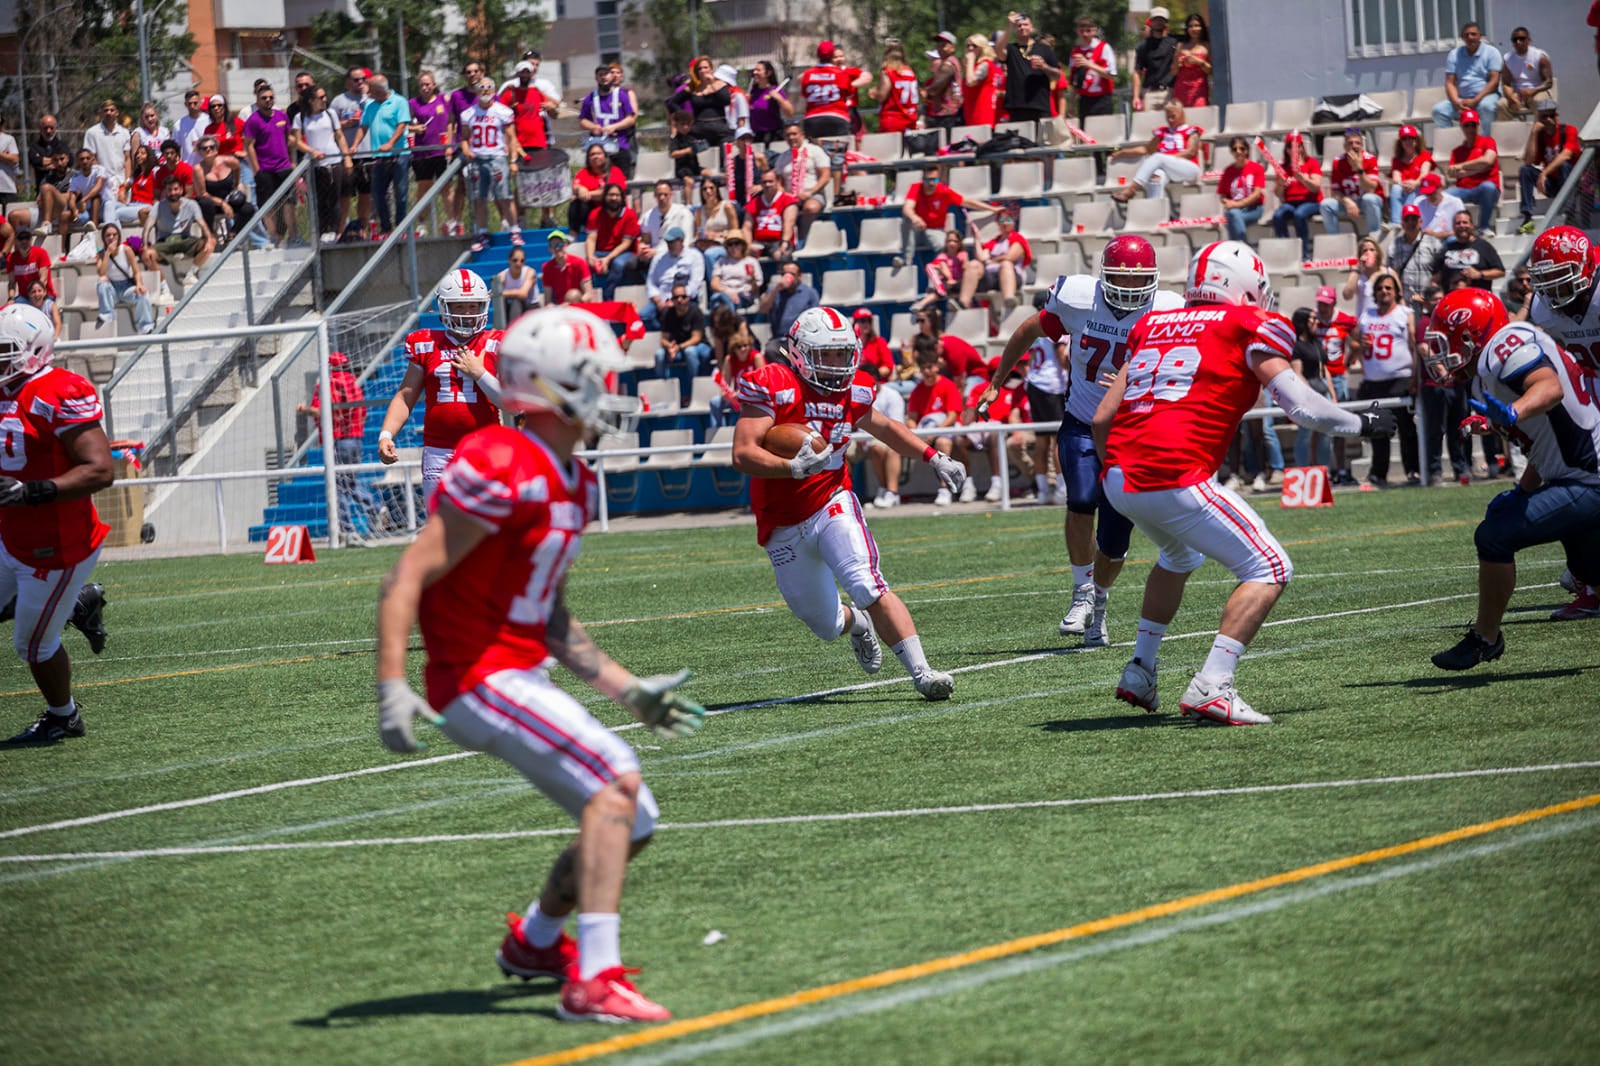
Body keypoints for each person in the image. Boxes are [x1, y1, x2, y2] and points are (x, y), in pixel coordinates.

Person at [375, 305, 694, 1024]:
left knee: (632, 817)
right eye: (592, 375)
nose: (605, 388)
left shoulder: (572, 480)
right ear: (551, 386)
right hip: (475, 674)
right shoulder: (499, 462)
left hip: (516, 668)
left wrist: (627, 689)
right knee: (615, 785)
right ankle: (595, 981)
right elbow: (407, 574)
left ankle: (537, 941)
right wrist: (392, 682)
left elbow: (545, 614)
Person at [1094, 240, 1397, 724]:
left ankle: (1140, 669)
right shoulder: (1244, 324)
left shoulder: (1151, 325)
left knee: (1177, 555)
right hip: (1174, 475)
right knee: (1271, 566)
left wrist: (1123, 467)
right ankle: (1213, 684)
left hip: (1120, 477)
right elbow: (1299, 405)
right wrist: (1363, 424)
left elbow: (1102, 416)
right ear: (1240, 287)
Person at [732, 306, 961, 698]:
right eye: (827, 355)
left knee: (866, 582)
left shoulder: (854, 390)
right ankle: (857, 624)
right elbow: (742, 453)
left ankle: (923, 672)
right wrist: (791, 468)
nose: (838, 364)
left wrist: (933, 456)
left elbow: (885, 427)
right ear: (800, 353)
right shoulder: (773, 383)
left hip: (830, 500)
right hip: (781, 521)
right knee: (823, 622)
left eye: (843, 354)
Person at [982, 235, 1182, 645]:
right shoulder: (1077, 298)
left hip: (1131, 432)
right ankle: (1081, 591)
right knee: (1080, 499)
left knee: (1114, 541)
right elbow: (1028, 329)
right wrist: (997, 382)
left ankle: (1100, 601)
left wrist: (1135, 385)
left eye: (1136, 283)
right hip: (1082, 422)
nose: (1128, 291)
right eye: (1120, 282)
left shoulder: (1167, 310)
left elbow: (1179, 374)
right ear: (1102, 277)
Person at [1424, 289, 1600, 669]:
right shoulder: (1489, 370)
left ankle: (1485, 638)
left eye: (1447, 341)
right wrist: (1523, 490)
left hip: (1589, 479)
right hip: (1576, 477)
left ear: (1471, 335)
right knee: (1589, 570)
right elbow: (1546, 443)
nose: (1440, 354)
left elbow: (1548, 388)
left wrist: (1511, 413)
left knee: (1494, 535)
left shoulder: (1504, 343)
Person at [0, 303, 116, 745]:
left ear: (35, 349)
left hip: (57, 543)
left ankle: (62, 717)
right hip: (11, 532)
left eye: (4, 350)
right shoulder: (7, 388)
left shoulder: (58, 391)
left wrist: (32, 491)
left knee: (32, 646)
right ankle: (77, 603)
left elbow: (101, 470)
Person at [1519, 226, 1600, 616]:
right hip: (1588, 403)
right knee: (1568, 482)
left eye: (1560, 278)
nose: (1553, 292)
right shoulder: (1542, 309)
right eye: (1545, 281)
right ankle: (1588, 577)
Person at [377, 269, 505, 497]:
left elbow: (512, 403)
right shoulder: (426, 343)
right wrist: (386, 434)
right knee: (441, 528)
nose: (468, 313)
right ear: (445, 307)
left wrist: (479, 373)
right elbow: (406, 396)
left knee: (490, 526)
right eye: (459, 306)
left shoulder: (494, 343)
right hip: (439, 451)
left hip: (486, 448)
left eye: (473, 306)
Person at [295, 350, 377, 539]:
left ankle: (346, 529)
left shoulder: (327, 384)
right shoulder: (353, 384)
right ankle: (374, 507)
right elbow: (362, 412)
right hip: (355, 440)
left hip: (338, 440)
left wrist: (304, 409)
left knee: (339, 486)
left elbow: (320, 411)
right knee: (350, 483)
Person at [1350, 270, 1419, 487]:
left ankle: (1413, 470)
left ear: (1396, 292)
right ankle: (1378, 473)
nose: (1384, 292)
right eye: (1380, 289)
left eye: (1388, 288)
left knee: (1407, 429)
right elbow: (1352, 344)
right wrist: (1358, 347)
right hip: (1374, 382)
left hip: (1400, 378)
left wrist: (1415, 377)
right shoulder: (1366, 315)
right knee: (1378, 430)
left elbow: (1414, 346)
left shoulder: (1405, 313)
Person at [459, 78, 521, 253]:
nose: (485, 91)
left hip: (498, 157)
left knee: (505, 197)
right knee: (480, 199)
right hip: (478, 158)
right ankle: (483, 234)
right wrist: (466, 150)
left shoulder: (503, 111)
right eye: (482, 88)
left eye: (488, 88)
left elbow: (512, 138)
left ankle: (514, 230)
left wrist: (514, 161)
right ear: (476, 91)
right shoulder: (468, 113)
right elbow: (464, 138)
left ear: (494, 90)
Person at [898, 163, 994, 268]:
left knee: (944, 245)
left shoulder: (944, 191)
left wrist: (992, 209)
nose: (930, 183)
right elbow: (907, 208)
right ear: (922, 179)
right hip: (916, 230)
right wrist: (915, 217)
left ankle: (937, 278)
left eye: (934, 180)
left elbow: (967, 202)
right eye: (927, 180)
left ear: (938, 179)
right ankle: (907, 262)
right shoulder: (915, 188)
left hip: (935, 230)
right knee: (907, 220)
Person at [292, 84, 355, 244]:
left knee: (335, 199)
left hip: (334, 162)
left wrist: (346, 157)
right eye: (320, 98)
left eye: (325, 97)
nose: (324, 100)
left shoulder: (330, 114)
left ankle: (335, 231)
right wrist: (312, 151)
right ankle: (321, 232)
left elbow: (339, 136)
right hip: (316, 165)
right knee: (320, 200)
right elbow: (297, 142)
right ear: (311, 100)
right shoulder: (301, 118)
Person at [1109, 99, 1203, 204]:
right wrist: (1122, 153)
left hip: (1189, 169)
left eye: (1173, 116)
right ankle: (1155, 211)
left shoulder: (1192, 131)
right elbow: (1146, 149)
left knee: (1158, 157)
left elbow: (1191, 152)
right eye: (1168, 117)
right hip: (1168, 169)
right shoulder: (1162, 132)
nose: (1170, 120)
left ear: (1181, 114)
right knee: (1156, 177)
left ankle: (1131, 190)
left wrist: (1167, 159)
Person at [242, 83, 294, 246]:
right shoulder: (253, 121)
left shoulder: (281, 116)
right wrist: (256, 170)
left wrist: (291, 162)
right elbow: (249, 145)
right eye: (264, 98)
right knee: (268, 206)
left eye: (271, 98)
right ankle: (272, 238)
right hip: (265, 170)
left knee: (288, 203)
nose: (268, 101)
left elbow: (289, 139)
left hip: (284, 168)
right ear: (257, 100)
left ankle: (292, 236)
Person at [1434, 22, 1502, 136]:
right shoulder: (1454, 54)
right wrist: (1456, 103)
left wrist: (1475, 100)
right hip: (1462, 100)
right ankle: (1454, 144)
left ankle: (1486, 143)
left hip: (1486, 97)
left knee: (1487, 108)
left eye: (1473, 34)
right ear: (1462, 38)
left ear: (1480, 36)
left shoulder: (1492, 52)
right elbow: (1449, 83)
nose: (1470, 37)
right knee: (1438, 111)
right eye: (1466, 35)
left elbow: (1494, 81)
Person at [1519, 99, 1577, 234]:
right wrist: (1533, 134)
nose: (1548, 120)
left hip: (1571, 183)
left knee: (1564, 166)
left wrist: (1543, 173)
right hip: (1552, 184)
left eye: (1551, 115)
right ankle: (1527, 217)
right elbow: (1528, 161)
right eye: (1544, 117)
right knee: (1525, 171)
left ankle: (1569, 214)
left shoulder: (1569, 131)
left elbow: (1566, 155)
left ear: (1556, 116)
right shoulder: (1540, 137)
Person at [958, 209, 1031, 312]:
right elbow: (981, 258)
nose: (1005, 223)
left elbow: (1009, 257)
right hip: (991, 277)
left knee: (1006, 264)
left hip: (1011, 276)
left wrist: (991, 260)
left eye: (1008, 219)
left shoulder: (1018, 238)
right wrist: (977, 239)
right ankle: (962, 304)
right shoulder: (993, 242)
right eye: (1002, 220)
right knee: (974, 264)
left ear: (1013, 222)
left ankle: (1009, 301)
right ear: (997, 223)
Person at [1288, 308, 1335, 468]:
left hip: (1322, 392)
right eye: (1312, 320)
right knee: (1305, 434)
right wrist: (1310, 394)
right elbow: (1297, 373)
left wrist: (1332, 394)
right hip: (1307, 395)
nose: (1316, 322)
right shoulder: (1297, 346)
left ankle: (1324, 470)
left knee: (1325, 434)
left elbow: (1324, 370)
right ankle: (1303, 469)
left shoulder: (1316, 343)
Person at [141, 175, 214, 276]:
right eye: (169, 190)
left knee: (211, 243)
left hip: (185, 240)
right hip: (165, 242)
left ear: (181, 190)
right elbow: (147, 228)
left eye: (175, 189)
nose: (173, 193)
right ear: (165, 192)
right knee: (147, 255)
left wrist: (209, 239)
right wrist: (145, 246)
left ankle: (191, 273)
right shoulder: (158, 206)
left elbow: (202, 224)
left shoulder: (191, 205)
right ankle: (163, 285)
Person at [408, 71, 455, 227]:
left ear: (434, 85)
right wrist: (415, 128)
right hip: (422, 153)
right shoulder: (413, 104)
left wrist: (449, 144)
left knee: (446, 188)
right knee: (423, 190)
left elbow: (450, 123)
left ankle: (452, 221)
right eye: (422, 84)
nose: (425, 87)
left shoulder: (444, 100)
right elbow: (403, 125)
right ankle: (421, 224)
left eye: (427, 84)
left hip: (441, 151)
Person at [799, 41, 870, 142]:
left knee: (815, 153)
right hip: (837, 116)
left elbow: (804, 92)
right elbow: (848, 92)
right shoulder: (840, 73)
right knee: (838, 153)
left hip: (812, 118)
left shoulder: (808, 74)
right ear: (832, 55)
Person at [330, 69, 373, 235]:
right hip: (347, 156)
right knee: (345, 197)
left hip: (368, 154)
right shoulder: (339, 101)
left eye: (363, 79)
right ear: (348, 82)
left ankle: (362, 230)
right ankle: (340, 231)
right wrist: (347, 123)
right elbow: (331, 128)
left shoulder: (371, 100)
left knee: (366, 195)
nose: (360, 83)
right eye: (356, 80)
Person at [772, 122, 832, 241]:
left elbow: (825, 176)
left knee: (811, 207)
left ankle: (803, 239)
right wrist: (785, 195)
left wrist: (810, 192)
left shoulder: (815, 151)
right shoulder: (782, 157)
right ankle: (785, 241)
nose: (791, 137)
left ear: (801, 135)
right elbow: (778, 181)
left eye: (794, 134)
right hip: (790, 197)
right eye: (788, 135)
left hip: (813, 194)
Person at [1442, 110, 1499, 233]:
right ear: (1462, 127)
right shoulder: (1457, 151)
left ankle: (1484, 226)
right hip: (1464, 189)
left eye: (1473, 125)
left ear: (1478, 126)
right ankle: (1448, 230)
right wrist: (1479, 168)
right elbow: (1452, 172)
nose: (1470, 129)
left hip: (1485, 189)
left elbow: (1488, 161)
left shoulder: (1488, 141)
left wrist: (1463, 167)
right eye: (1467, 125)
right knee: (1444, 196)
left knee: (1488, 187)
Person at [997, 12, 1060, 123]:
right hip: (1016, 105)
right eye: (1019, 25)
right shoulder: (1011, 48)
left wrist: (1044, 66)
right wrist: (1009, 26)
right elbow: (998, 50)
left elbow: (1057, 75)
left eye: (1025, 24)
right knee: (1019, 139)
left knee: (1040, 139)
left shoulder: (1044, 48)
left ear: (1032, 27)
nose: (1022, 27)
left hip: (1039, 104)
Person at [578, 64, 638, 179]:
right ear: (596, 78)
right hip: (598, 148)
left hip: (620, 145)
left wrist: (615, 126)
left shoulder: (621, 95)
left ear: (611, 76)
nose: (604, 77)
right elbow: (582, 120)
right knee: (599, 180)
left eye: (606, 74)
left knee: (622, 181)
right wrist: (592, 127)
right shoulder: (590, 97)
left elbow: (631, 119)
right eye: (600, 75)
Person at [1321, 128, 1384, 237]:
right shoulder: (1337, 162)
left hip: (1368, 202)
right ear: (1345, 146)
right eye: (1350, 143)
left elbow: (1370, 189)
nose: (1354, 146)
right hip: (1348, 202)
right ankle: (1334, 240)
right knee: (1326, 204)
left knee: (1369, 198)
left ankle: (1374, 238)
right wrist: (1347, 201)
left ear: (1362, 146)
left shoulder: (1371, 159)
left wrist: (1358, 168)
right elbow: (1335, 192)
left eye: (1357, 143)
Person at [653, 283, 709, 405]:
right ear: (672, 299)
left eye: (683, 297)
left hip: (699, 347)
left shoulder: (695, 311)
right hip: (677, 348)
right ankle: (665, 393)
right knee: (659, 355)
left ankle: (691, 392)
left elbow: (696, 338)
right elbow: (663, 339)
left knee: (690, 352)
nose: (680, 300)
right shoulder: (668, 314)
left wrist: (678, 347)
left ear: (688, 298)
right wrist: (669, 346)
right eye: (676, 297)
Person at [1270, 131, 1323, 260]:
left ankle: (1303, 254)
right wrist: (1281, 184)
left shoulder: (1311, 162)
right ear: (1286, 149)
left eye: (1297, 146)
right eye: (1290, 146)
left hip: (1311, 201)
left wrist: (1303, 179)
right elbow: (1277, 193)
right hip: (1291, 202)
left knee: (1299, 215)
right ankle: (1287, 253)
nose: (1294, 150)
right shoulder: (1283, 167)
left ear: (1301, 147)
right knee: (1278, 216)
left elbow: (1316, 188)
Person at [584, 183, 640, 302]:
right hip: (601, 252)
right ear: (604, 197)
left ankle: (608, 300)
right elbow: (591, 238)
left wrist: (608, 259)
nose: (614, 198)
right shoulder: (595, 214)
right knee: (584, 265)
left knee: (618, 264)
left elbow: (626, 243)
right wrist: (590, 257)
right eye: (610, 195)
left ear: (622, 198)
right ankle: (587, 300)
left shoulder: (630, 214)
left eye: (617, 195)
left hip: (624, 252)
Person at [640, 227, 704, 331]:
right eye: (668, 242)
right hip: (662, 299)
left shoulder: (695, 256)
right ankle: (665, 330)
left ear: (682, 240)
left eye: (672, 242)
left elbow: (694, 284)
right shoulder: (659, 258)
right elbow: (651, 283)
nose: (669, 245)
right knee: (643, 317)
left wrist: (676, 299)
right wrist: (658, 300)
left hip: (684, 299)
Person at [95, 223, 153, 334]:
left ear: (118, 236)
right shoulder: (101, 254)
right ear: (104, 238)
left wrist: (139, 284)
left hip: (126, 287)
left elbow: (136, 271)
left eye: (114, 235)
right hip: (112, 289)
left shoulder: (126, 250)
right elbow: (101, 273)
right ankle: (107, 316)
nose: (111, 238)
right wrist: (107, 253)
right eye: (108, 235)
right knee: (101, 283)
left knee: (143, 294)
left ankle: (145, 327)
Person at [1433, 209, 1504, 293]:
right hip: (1452, 299)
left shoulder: (1484, 246)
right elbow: (1436, 277)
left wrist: (1479, 274)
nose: (1462, 225)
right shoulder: (1446, 249)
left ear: (1472, 226)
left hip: (1478, 299)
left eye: (1465, 222)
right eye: (1458, 223)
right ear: (1453, 227)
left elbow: (1500, 272)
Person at [1388, 203, 1441, 305]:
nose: (1410, 223)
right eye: (1407, 220)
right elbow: (1391, 273)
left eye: (1414, 219)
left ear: (1420, 222)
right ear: (1402, 224)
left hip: (1428, 303)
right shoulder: (1394, 245)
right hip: (1404, 304)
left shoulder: (1433, 243)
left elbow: (1439, 272)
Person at [569, 143, 625, 238]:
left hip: (611, 208)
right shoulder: (584, 173)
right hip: (591, 209)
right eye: (592, 154)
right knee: (576, 202)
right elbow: (575, 186)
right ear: (588, 158)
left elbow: (608, 193)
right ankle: (573, 236)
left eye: (599, 153)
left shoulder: (615, 171)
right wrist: (580, 189)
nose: (595, 156)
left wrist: (586, 193)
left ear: (604, 156)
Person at [744, 167, 799, 263]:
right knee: (741, 256)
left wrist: (784, 244)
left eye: (770, 181)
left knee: (783, 256)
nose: (767, 185)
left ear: (778, 182)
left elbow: (789, 224)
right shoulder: (754, 202)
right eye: (764, 182)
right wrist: (748, 245)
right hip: (758, 242)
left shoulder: (787, 200)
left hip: (779, 241)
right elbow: (746, 227)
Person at [1218, 138, 1266, 243]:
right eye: (1234, 149)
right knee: (1233, 215)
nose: (1238, 151)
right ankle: (1242, 248)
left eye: (1242, 148)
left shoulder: (1257, 168)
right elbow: (1222, 196)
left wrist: (1236, 204)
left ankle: (1238, 248)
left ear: (1247, 150)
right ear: (1231, 152)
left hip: (1253, 209)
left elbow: (1257, 194)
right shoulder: (1228, 171)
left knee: (1231, 217)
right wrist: (1228, 202)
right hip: (1235, 210)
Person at [757, 261, 818, 344]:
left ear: (799, 276)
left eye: (792, 274)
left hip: (800, 341)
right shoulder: (773, 291)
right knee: (771, 350)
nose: (787, 277)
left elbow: (815, 318)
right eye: (784, 274)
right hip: (779, 340)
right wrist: (776, 289)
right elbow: (763, 310)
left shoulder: (810, 293)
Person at [638, 180, 694, 270]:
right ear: (654, 195)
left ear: (671, 195)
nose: (662, 198)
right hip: (652, 254)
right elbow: (646, 240)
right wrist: (642, 248)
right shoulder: (648, 216)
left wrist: (657, 252)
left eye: (665, 194)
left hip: (675, 252)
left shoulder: (683, 213)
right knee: (631, 263)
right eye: (659, 195)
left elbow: (686, 243)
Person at [1070, 16, 1117, 120]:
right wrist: (1072, 104)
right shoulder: (1075, 52)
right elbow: (1075, 82)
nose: (1085, 34)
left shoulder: (1104, 47)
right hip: (1084, 99)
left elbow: (1111, 75)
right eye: (1082, 31)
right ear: (1077, 31)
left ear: (1094, 30)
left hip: (1102, 98)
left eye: (1088, 31)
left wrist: (1089, 64)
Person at [1500, 27, 1553, 120]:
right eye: (1514, 40)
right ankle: (1508, 133)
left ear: (1529, 40)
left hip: (1537, 91)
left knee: (1540, 102)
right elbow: (1506, 83)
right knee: (1501, 105)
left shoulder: (1540, 56)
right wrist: (1510, 96)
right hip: (1518, 94)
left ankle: (1538, 132)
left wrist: (1531, 91)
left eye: (1522, 39)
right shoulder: (1508, 59)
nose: (1518, 42)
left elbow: (1549, 82)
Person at [1132, 6, 1177, 112]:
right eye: (1156, 19)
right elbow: (1137, 71)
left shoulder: (1175, 41)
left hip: (1170, 92)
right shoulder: (1143, 46)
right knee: (1149, 126)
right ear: (1150, 22)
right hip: (1150, 92)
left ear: (1167, 22)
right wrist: (1136, 96)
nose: (1159, 22)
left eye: (1162, 19)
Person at [1387, 124, 1434, 225]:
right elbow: (1396, 178)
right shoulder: (1396, 160)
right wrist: (1406, 184)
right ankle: (1397, 223)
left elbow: (1424, 175)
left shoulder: (1424, 155)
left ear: (1416, 140)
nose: (1408, 141)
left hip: (1420, 188)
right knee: (1395, 188)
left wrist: (1414, 183)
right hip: (1404, 188)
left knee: (1411, 191)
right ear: (1400, 142)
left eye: (1411, 138)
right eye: (1404, 139)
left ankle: (1405, 221)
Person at [83, 99, 132, 191]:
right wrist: (103, 177)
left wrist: (127, 180)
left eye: (112, 110)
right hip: (102, 183)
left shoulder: (124, 133)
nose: (109, 113)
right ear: (100, 113)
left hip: (121, 182)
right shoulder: (92, 133)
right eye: (105, 110)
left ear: (117, 113)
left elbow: (127, 158)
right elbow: (91, 158)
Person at [915, 228, 968, 311]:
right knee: (939, 269)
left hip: (960, 283)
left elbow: (965, 269)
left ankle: (954, 304)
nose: (952, 244)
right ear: (946, 243)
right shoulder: (942, 256)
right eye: (949, 241)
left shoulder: (962, 255)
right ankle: (921, 304)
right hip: (946, 284)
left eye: (955, 241)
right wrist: (943, 270)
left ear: (959, 244)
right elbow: (930, 267)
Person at [873, 42, 921, 134]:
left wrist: (875, 92)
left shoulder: (888, 71)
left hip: (892, 119)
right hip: (910, 119)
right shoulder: (910, 72)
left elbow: (882, 94)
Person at [709, 232, 761, 314]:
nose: (733, 247)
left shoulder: (751, 262)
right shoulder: (721, 262)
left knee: (720, 302)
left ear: (742, 245)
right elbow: (714, 283)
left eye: (736, 243)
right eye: (730, 244)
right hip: (725, 293)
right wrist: (728, 292)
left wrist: (752, 278)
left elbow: (756, 286)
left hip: (743, 295)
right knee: (718, 299)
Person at [923, 31, 965, 131]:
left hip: (947, 113)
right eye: (938, 45)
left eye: (943, 45)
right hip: (951, 113)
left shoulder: (948, 63)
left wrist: (927, 91)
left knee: (945, 144)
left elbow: (936, 87)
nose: (940, 48)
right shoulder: (952, 61)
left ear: (953, 47)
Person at [747, 61, 795, 148]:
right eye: (754, 70)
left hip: (772, 134)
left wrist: (779, 98)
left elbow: (790, 113)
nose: (755, 73)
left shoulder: (776, 90)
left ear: (768, 73)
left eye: (758, 70)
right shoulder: (753, 92)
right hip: (756, 135)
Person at [540, 230, 594, 305]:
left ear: (566, 245)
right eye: (553, 245)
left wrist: (571, 303)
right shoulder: (547, 268)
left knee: (573, 295)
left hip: (579, 305)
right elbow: (548, 300)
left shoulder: (580, 263)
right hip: (560, 308)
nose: (557, 248)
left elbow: (588, 294)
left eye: (560, 244)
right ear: (549, 248)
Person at [962, 35, 1002, 128]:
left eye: (974, 46)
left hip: (982, 112)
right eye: (968, 45)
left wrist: (970, 61)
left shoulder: (985, 64)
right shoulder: (973, 67)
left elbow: (971, 82)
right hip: (971, 111)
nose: (970, 48)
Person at [1171, 13, 1211, 107]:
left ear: (1202, 27)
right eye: (1191, 26)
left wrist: (1199, 62)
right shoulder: (1180, 45)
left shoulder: (1207, 45)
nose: (1194, 29)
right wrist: (1178, 62)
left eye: (1197, 25)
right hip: (1181, 87)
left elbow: (1211, 71)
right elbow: (1174, 72)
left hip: (1199, 89)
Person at [5, 226, 53, 301]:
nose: (24, 241)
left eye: (27, 238)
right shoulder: (11, 258)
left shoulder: (41, 253)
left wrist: (35, 296)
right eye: (21, 238)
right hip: (24, 297)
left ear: (31, 240)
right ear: (16, 241)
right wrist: (11, 298)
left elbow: (43, 280)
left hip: (43, 295)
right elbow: (12, 283)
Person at [1414, 173, 1466, 240]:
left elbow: (1462, 229)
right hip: (1425, 240)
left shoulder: (1455, 202)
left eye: (1432, 192)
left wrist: (1436, 235)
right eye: (1426, 193)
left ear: (1441, 188)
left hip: (1447, 239)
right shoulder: (1418, 202)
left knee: (1452, 239)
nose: (1429, 196)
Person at [498, 247, 537, 322]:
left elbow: (523, 294)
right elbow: (493, 294)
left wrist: (501, 293)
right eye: (515, 260)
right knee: (503, 301)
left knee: (516, 301)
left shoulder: (530, 272)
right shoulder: (503, 275)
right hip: (512, 308)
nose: (518, 263)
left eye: (522, 261)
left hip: (530, 307)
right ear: (509, 260)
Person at [172, 91, 208, 166]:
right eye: (189, 104)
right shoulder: (179, 124)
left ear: (200, 102)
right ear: (185, 104)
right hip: (188, 166)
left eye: (195, 103)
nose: (192, 106)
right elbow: (175, 148)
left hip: (207, 165)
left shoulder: (209, 120)